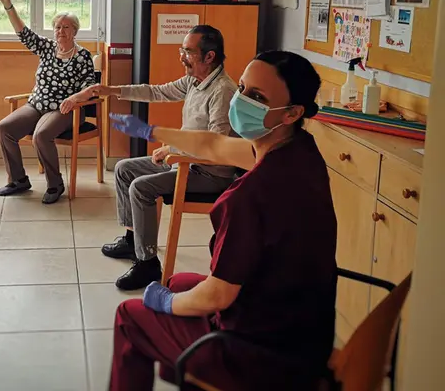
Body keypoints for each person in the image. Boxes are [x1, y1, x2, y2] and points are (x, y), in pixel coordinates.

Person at [106, 51, 338, 391]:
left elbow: (217, 297)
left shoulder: (251, 195)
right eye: (242, 88)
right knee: (179, 280)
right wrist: (150, 130)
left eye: (257, 97)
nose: (241, 100)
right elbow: (214, 144)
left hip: (261, 357)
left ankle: (205, 373)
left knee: (132, 316)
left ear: (292, 112)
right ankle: (190, 375)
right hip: (302, 330)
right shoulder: (299, 151)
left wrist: (166, 303)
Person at [69, 25, 237, 290]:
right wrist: (111, 90)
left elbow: (215, 144)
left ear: (209, 56)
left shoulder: (223, 90)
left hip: (209, 172)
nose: (182, 57)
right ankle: (132, 240)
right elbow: (156, 91)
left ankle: (147, 263)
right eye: (182, 50)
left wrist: (172, 149)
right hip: (185, 161)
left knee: (141, 188)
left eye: (188, 52)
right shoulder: (195, 81)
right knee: (124, 169)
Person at [0, 0, 96, 204]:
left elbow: (90, 87)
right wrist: (8, 6)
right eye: (57, 27)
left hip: (66, 109)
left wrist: (74, 98)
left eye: (66, 27)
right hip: (37, 105)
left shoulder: (83, 56)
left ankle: (55, 184)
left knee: (41, 135)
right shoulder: (47, 48)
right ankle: (18, 180)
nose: (61, 31)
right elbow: (24, 33)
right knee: (3, 129)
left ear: (75, 31)